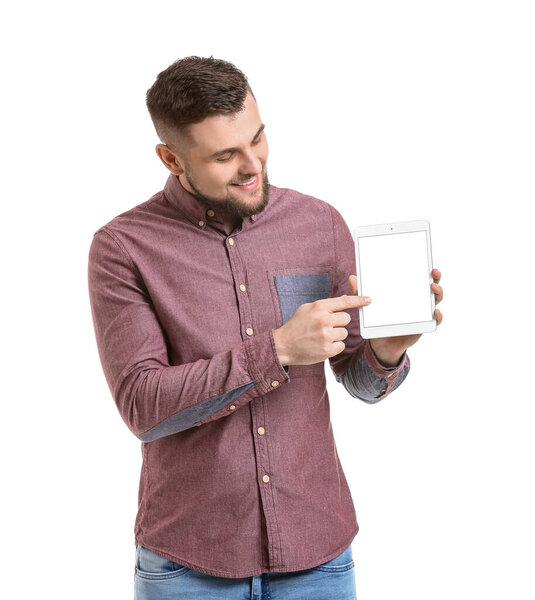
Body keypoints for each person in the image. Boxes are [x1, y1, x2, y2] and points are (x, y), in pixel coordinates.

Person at [87, 56, 444, 600]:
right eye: (226, 155)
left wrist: (387, 354)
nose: (253, 165)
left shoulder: (319, 224)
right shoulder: (123, 248)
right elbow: (142, 406)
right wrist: (275, 350)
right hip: (189, 566)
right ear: (171, 157)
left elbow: (360, 382)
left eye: (258, 139)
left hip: (319, 558)